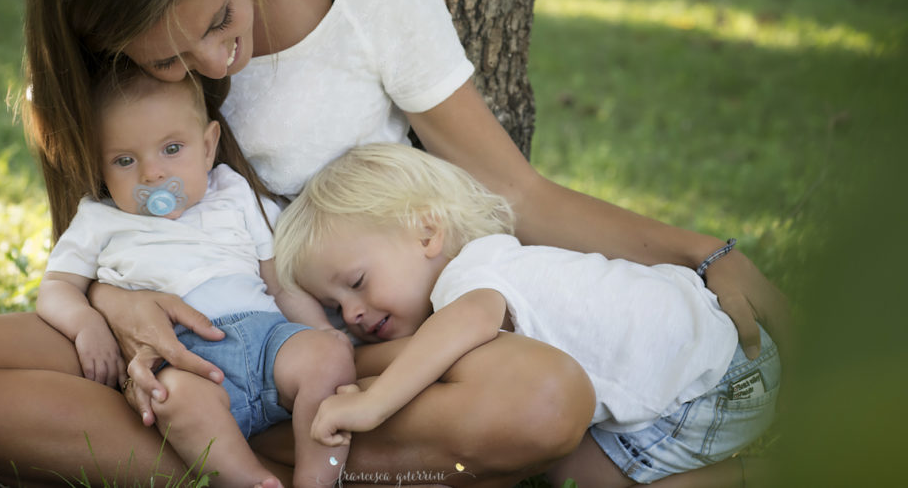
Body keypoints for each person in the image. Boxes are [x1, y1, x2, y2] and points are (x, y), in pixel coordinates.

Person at [0, 0, 787, 486]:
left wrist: (700, 251)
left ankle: (199, 462)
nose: (210, 66)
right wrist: (115, 309)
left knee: (545, 399)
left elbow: (514, 192)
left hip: (347, 354)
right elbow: (107, 223)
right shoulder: (129, 26)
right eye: (164, 61)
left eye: (218, 23)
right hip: (177, 319)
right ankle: (270, 464)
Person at [273, 143, 782, 488]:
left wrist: (373, 403)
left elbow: (466, 323)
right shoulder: (503, 260)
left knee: (583, 474)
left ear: (427, 233)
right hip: (722, 362)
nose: (354, 314)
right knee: (568, 469)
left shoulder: (472, 276)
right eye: (336, 308)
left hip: (710, 381)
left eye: (358, 283)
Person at [36, 64, 353, 488]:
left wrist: (317, 330)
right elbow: (56, 286)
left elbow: (279, 283)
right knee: (172, 401)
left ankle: (316, 480)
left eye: (171, 149)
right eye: (125, 160)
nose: (152, 174)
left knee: (328, 356)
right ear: (101, 168)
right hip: (184, 360)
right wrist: (85, 324)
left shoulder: (234, 192)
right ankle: (250, 480)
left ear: (208, 148)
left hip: (269, 342)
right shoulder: (99, 219)